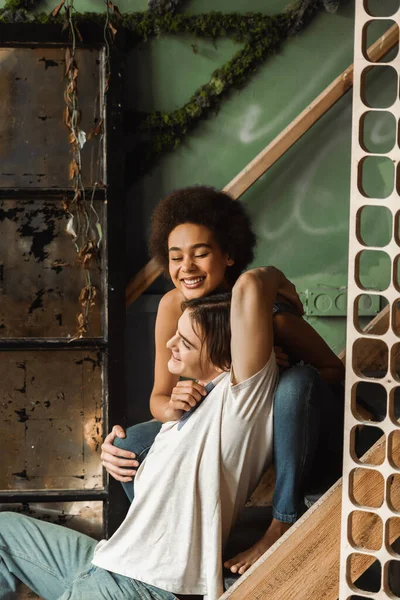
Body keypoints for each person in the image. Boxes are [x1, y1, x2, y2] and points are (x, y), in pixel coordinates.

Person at [0, 268, 301, 599]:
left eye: (185, 342)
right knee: (4, 531)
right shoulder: (187, 406)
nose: (170, 343)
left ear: (227, 361)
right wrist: (116, 448)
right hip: (104, 560)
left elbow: (251, 284)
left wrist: (285, 290)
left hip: (138, 588)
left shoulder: (239, 403)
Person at [101, 186, 345, 575]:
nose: (187, 267)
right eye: (175, 257)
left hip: (292, 431)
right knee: (131, 445)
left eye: (200, 253)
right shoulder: (171, 306)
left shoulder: (270, 313)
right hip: (227, 435)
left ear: (228, 254)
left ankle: (282, 519)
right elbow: (159, 399)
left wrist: (274, 376)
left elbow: (334, 374)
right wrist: (175, 404)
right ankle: (182, 544)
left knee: (296, 381)